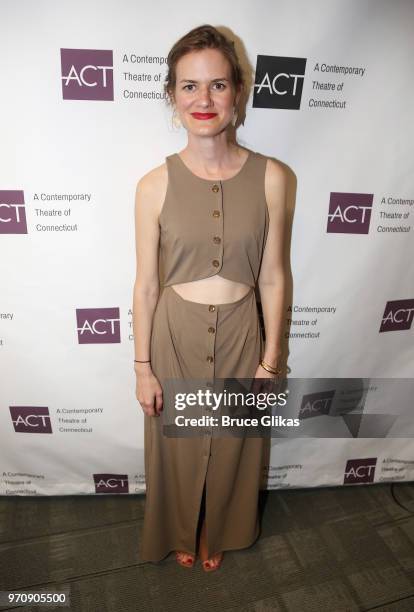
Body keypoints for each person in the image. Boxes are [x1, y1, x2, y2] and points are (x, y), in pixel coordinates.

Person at [132, 24, 286, 572]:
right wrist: (142, 367)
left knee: (232, 449)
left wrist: (271, 361)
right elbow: (146, 285)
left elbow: (272, 275)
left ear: (238, 92)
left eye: (217, 85)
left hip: (245, 334)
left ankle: (218, 529)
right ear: (172, 96)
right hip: (175, 335)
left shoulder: (272, 177)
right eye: (190, 86)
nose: (204, 100)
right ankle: (177, 526)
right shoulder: (153, 184)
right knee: (177, 446)